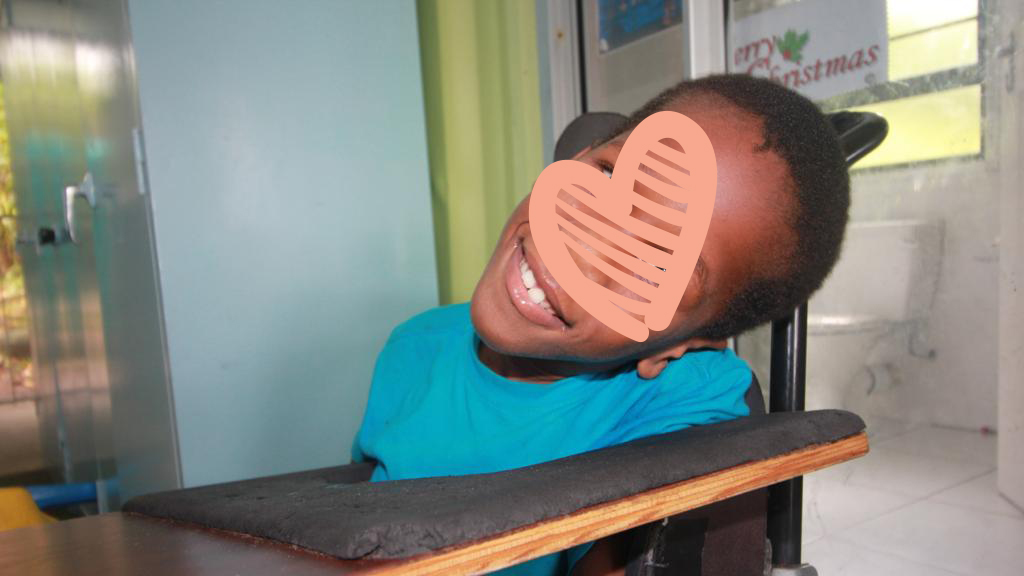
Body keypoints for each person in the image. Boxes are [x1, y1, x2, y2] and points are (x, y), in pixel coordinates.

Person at [352, 74, 850, 575]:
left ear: (683, 345)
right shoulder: (411, 349)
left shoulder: (677, 406)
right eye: (609, 174)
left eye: (657, 262)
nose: (581, 251)